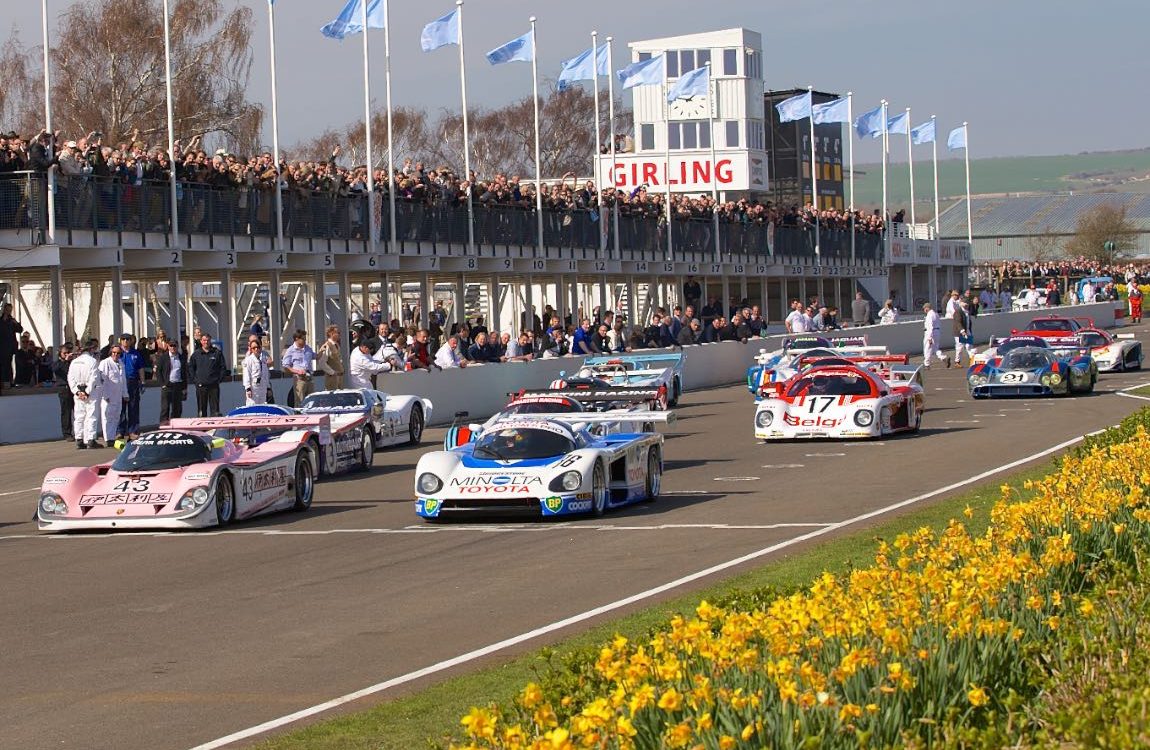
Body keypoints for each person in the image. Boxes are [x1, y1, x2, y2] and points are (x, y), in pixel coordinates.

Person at [67, 339, 102, 449]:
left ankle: (79, 439)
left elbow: (70, 378)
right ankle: (91, 439)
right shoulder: (92, 361)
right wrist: (86, 392)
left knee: (79, 416)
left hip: (78, 391)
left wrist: (77, 392)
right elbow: (94, 378)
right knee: (91, 415)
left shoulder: (74, 362)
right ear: (91, 349)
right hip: (90, 392)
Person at [188, 333, 226, 417]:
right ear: (201, 341)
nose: (206, 342)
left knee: (215, 411)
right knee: (201, 411)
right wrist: (196, 381)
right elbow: (190, 368)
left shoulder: (217, 353)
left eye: (208, 340)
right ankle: (202, 429)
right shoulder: (196, 354)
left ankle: (215, 428)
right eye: (204, 340)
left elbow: (223, 367)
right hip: (201, 386)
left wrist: (219, 380)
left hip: (214, 386)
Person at [97, 344, 127, 446]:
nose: (116, 355)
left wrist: (125, 393)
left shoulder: (121, 363)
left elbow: (123, 380)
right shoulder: (105, 363)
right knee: (107, 417)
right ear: (111, 352)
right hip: (108, 396)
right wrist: (105, 396)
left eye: (118, 353)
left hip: (118, 395)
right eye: (114, 352)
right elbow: (102, 381)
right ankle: (108, 439)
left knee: (116, 416)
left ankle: (112, 436)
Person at [117, 333, 146, 439]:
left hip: (132, 381)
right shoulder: (117, 352)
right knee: (121, 408)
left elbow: (141, 368)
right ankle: (120, 431)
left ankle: (133, 430)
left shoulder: (135, 353)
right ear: (120, 340)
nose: (125, 341)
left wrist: (143, 382)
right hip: (120, 382)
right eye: (123, 339)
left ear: (131, 341)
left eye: (127, 339)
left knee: (133, 407)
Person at [154, 337, 187, 425]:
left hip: (178, 385)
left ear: (177, 346)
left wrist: (184, 388)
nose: (173, 347)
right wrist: (162, 384)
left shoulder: (181, 357)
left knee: (177, 408)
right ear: (168, 346)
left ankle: (175, 425)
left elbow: (184, 373)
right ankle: (164, 425)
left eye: (174, 346)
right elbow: (158, 372)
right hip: (167, 385)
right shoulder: (163, 358)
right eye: (171, 345)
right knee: (165, 407)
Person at [282, 330, 316, 406]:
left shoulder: (307, 348)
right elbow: (285, 366)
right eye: (303, 339)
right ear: (297, 339)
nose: (305, 341)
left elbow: (315, 356)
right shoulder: (290, 350)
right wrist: (297, 371)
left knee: (311, 401)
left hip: (309, 377)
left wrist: (322, 350)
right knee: (300, 401)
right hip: (299, 379)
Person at [53, 344, 74, 440]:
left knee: (77, 411)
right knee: (66, 411)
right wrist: (65, 360)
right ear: (60, 354)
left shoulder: (72, 363)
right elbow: (56, 369)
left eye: (67, 353)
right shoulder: (57, 363)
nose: (66, 355)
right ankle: (67, 433)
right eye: (64, 353)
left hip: (72, 388)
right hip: (63, 388)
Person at [242, 338, 271, 405]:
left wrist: (268, 387)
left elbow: (265, 375)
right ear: (251, 349)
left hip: (262, 387)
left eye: (258, 347)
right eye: (254, 348)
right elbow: (246, 375)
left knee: (263, 405)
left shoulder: (263, 360)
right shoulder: (249, 360)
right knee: (252, 406)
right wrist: (248, 388)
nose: (256, 349)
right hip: (253, 388)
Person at [0, 302, 22, 387]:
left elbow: (20, 330)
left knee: (8, 364)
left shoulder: (12, 321)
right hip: (1, 346)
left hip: (10, 347)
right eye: (7, 310)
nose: (8, 312)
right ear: (4, 310)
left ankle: (9, 381)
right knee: (2, 364)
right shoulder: (0, 320)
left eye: (10, 310)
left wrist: (16, 322)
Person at [922, 303, 950, 369]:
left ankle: (927, 364)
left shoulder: (929, 315)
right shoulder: (936, 314)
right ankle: (943, 358)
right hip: (937, 331)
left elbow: (930, 326)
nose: (924, 310)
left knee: (927, 348)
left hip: (931, 332)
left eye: (924, 308)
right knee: (935, 348)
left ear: (927, 308)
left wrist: (929, 337)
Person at [317, 324, 345, 390]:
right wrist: (332, 372)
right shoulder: (327, 346)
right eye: (338, 333)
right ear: (331, 334)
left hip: (339, 377)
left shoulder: (336, 345)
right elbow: (322, 362)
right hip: (332, 378)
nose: (339, 334)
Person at [952, 299, 975, 368]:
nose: (966, 305)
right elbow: (958, 322)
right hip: (960, 333)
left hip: (967, 331)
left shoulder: (967, 312)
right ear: (961, 303)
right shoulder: (958, 311)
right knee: (960, 347)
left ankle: (972, 360)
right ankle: (957, 361)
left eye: (967, 304)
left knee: (969, 346)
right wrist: (962, 331)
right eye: (965, 303)